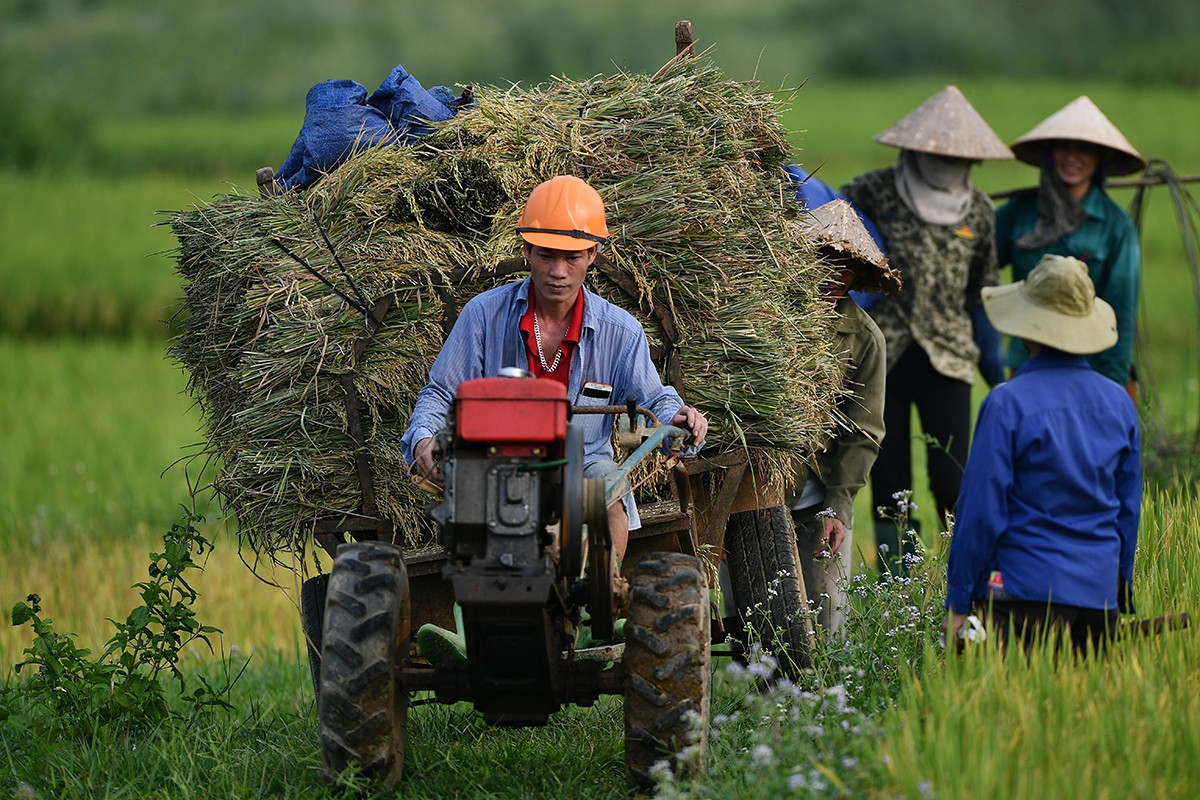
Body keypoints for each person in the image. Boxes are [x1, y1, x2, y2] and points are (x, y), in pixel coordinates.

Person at [401, 176, 709, 660]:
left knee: (606, 481)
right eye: (546, 254)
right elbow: (441, 392)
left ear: (593, 254)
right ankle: (475, 628)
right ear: (526, 251)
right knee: (475, 493)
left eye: (572, 256)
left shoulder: (619, 331)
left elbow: (657, 399)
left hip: (583, 465)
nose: (558, 270)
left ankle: (595, 610)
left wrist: (681, 419)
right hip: (500, 462)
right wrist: (423, 441)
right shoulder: (484, 316)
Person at [839, 86, 1014, 572]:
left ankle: (966, 574)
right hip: (882, 354)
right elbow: (836, 244)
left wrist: (998, 373)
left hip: (949, 355)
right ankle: (901, 584)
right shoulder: (871, 191)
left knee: (953, 479)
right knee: (889, 477)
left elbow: (982, 291)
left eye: (957, 154)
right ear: (913, 149)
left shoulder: (977, 210)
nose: (946, 160)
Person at [943, 254, 1140, 655]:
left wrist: (959, 601)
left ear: (1027, 329)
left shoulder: (1006, 403)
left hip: (1021, 594)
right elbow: (1126, 511)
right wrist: (1118, 589)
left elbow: (981, 510)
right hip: (1097, 598)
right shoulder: (1119, 404)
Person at [788, 199, 898, 633]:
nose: (832, 273)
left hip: (817, 496)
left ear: (857, 274)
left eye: (845, 264)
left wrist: (837, 507)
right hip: (757, 496)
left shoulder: (865, 339)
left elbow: (864, 432)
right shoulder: (761, 320)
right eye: (822, 258)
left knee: (827, 623)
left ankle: (824, 700)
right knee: (754, 627)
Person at [995, 95, 1146, 395]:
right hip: (1028, 362)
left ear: (1099, 157)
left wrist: (1113, 387)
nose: (1072, 157)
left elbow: (1122, 311)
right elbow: (976, 264)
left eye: (1084, 149)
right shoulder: (1020, 212)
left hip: (1090, 368)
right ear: (1049, 153)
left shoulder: (1115, 225)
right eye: (1063, 147)